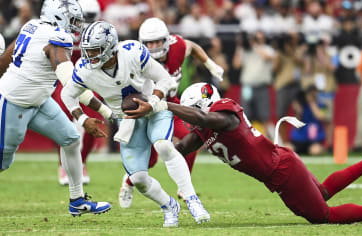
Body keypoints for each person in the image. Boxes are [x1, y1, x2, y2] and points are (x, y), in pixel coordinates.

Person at [125, 82, 362, 224]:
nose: (191, 120)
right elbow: (180, 148)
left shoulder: (223, 114)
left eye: (195, 110)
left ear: (205, 103)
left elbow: (208, 120)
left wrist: (165, 106)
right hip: (280, 164)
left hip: (279, 170)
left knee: (322, 216)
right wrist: (149, 135)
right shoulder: (204, 127)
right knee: (321, 194)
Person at [61, 21, 210, 227]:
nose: (89, 56)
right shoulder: (85, 70)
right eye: (87, 51)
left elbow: (165, 80)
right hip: (127, 119)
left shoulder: (132, 52)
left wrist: (152, 104)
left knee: (164, 146)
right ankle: (169, 206)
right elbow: (67, 95)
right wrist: (83, 119)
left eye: (94, 50)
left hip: (154, 107)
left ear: (109, 47)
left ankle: (192, 199)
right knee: (139, 178)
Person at [0, 0, 111, 216]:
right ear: (59, 16)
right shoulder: (57, 39)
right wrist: (103, 112)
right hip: (14, 102)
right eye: (74, 20)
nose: (77, 26)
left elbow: (6, 59)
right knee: (3, 162)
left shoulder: (33, 25)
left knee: (70, 139)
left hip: (39, 100)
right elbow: (71, 83)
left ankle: (77, 200)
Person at [118, 17, 224, 208]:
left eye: (158, 41)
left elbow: (192, 46)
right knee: (149, 160)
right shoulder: (137, 58)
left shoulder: (178, 47)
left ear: (166, 40)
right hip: (148, 110)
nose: (154, 46)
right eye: (149, 43)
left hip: (171, 105)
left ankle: (184, 187)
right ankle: (128, 181)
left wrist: (211, 65)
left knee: (191, 139)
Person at [52, 0, 103, 185]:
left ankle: (81, 162)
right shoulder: (62, 29)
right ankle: (62, 165)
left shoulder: (102, 32)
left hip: (89, 81)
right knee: (62, 121)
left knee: (93, 119)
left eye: (89, 17)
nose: (85, 22)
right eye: (82, 18)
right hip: (64, 79)